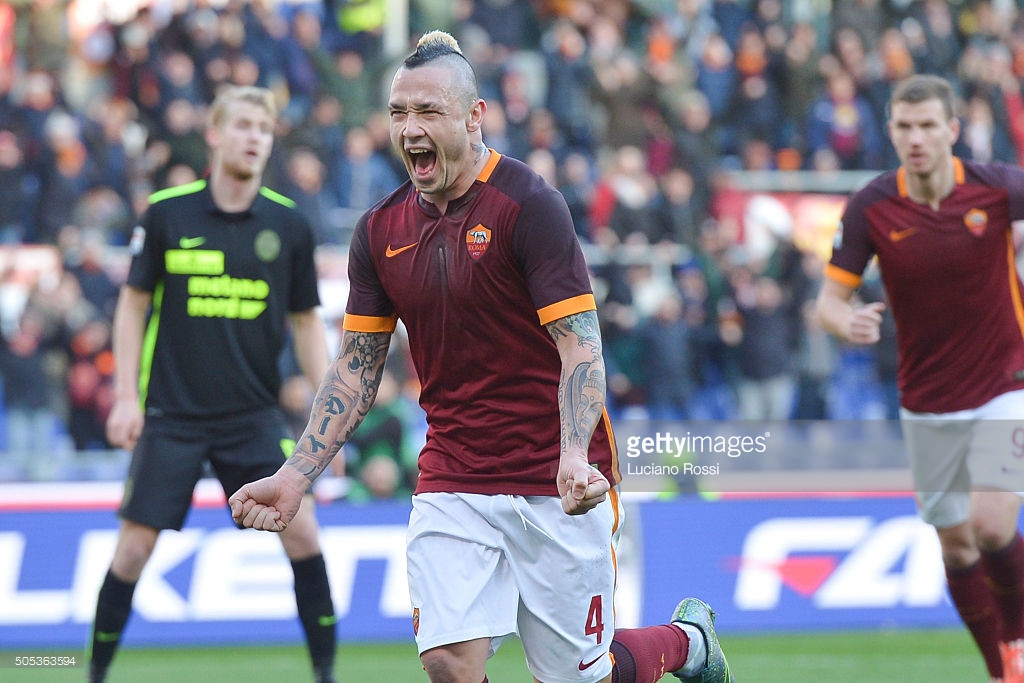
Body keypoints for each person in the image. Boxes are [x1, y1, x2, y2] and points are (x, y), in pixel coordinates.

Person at [230, 31, 734, 683]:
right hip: (454, 473)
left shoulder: (530, 205)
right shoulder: (379, 231)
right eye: (398, 113)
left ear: (475, 117)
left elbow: (580, 345)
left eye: (428, 111)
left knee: (582, 677)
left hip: (555, 475)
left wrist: (573, 454)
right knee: (447, 661)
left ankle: (688, 642)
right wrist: (296, 475)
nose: (410, 129)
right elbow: (356, 368)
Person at [87, 85, 337, 683]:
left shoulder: (289, 224)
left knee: (303, 535)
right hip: (171, 414)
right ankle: (93, 673)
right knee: (132, 551)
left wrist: (331, 419)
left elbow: (307, 322)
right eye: (244, 125)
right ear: (216, 135)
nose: (255, 137)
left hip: (252, 416)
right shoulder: (167, 213)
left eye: (264, 128)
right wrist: (125, 398)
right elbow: (132, 305)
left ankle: (326, 675)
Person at [816, 73, 1024, 683]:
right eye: (905, 126)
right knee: (957, 547)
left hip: (1006, 385)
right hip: (928, 402)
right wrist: (846, 322)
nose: (917, 138)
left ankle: (1019, 645)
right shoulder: (871, 207)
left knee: (991, 525)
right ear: (890, 131)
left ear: (952, 130)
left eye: (929, 125)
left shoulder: (998, 188)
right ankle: (1000, 668)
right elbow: (828, 302)